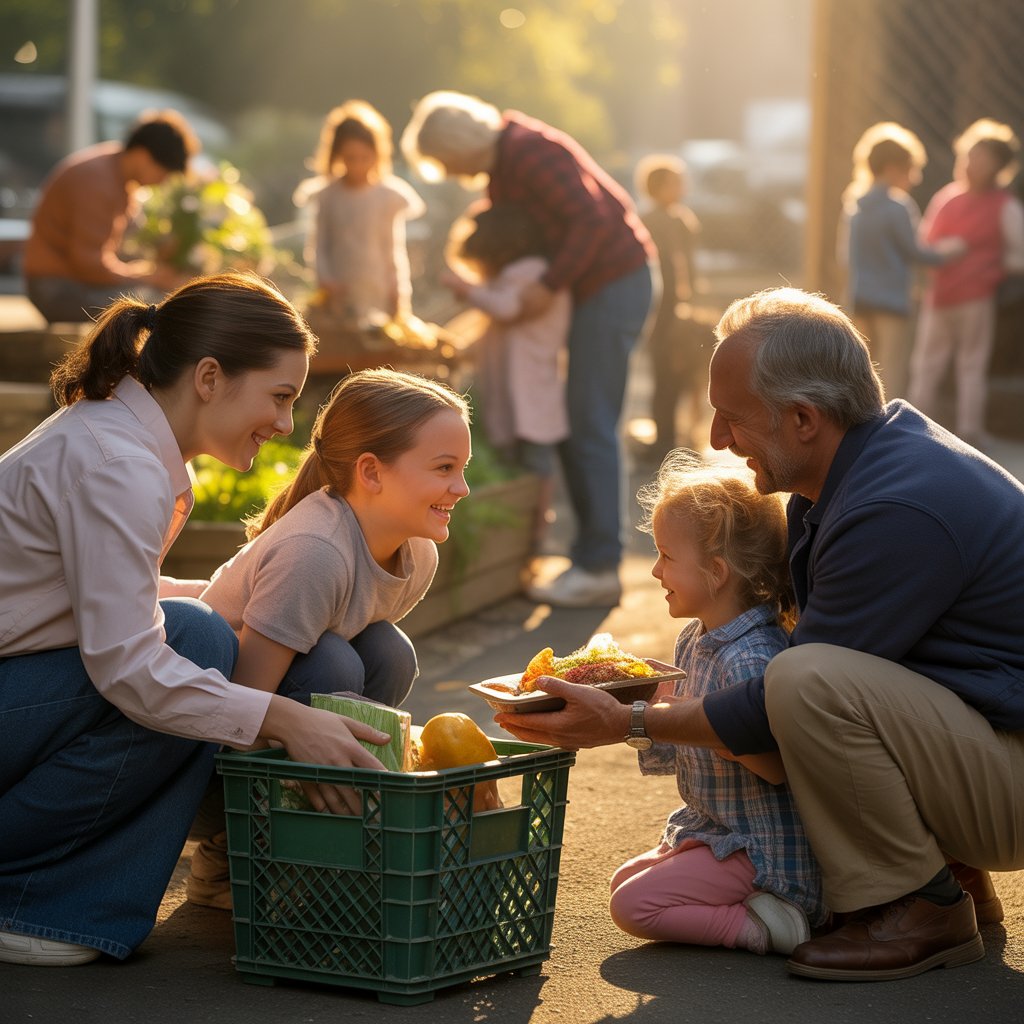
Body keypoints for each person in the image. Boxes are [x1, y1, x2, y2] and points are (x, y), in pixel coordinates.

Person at [499, 286, 1024, 982]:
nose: (717, 439)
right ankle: (948, 876)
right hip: (991, 750)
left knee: (806, 681)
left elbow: (786, 710)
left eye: (731, 417)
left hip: (1010, 779)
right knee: (818, 677)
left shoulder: (893, 508)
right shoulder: (860, 468)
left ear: (804, 418)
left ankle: (919, 906)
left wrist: (628, 719)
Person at [0, 272, 399, 968]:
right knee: (197, 638)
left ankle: (77, 887)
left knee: (215, 628)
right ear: (209, 376)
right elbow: (128, 662)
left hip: (23, 693)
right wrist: (282, 716)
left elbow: (102, 595)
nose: (285, 424)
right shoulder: (117, 463)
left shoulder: (119, 440)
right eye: (279, 396)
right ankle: (31, 895)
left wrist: (244, 592)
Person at [184, 367, 471, 909]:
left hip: (260, 729)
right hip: (194, 762)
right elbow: (240, 708)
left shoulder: (418, 554)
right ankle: (234, 850)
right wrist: (313, 740)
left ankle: (320, 830)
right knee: (335, 668)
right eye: (444, 469)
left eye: (463, 468)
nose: (462, 487)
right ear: (371, 472)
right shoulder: (315, 552)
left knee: (389, 651)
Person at [402, 91, 654, 608]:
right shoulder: (504, 170)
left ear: (459, 145)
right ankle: (589, 554)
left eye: (447, 162)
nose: (450, 173)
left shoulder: (530, 152)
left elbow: (592, 222)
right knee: (577, 422)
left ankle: (601, 564)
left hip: (614, 281)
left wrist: (549, 284)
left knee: (589, 421)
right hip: (592, 289)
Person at [608, 455, 826, 955]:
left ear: (717, 571)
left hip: (762, 847)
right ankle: (755, 908)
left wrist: (714, 730)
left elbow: (776, 766)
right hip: (718, 828)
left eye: (666, 556)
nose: (656, 570)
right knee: (625, 879)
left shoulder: (751, 657)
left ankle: (771, 926)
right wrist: (651, 708)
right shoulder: (695, 639)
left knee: (634, 906)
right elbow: (676, 748)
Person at [439, 201, 570, 549]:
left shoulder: (531, 272)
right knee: (517, 461)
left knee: (535, 462)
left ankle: (535, 533)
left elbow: (506, 308)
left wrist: (467, 290)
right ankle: (521, 535)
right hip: (518, 390)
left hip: (530, 389)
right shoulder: (520, 273)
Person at [907, 118, 1024, 447]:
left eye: (982, 160)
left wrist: (990, 263)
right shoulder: (947, 198)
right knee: (927, 364)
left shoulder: (1004, 206)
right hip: (939, 295)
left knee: (971, 365)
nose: (971, 165)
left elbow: (1019, 256)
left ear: (998, 168)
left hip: (976, 298)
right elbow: (924, 243)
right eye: (969, 156)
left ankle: (969, 432)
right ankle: (914, 427)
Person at [23, 109, 199, 323]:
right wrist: (149, 276)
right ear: (143, 156)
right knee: (156, 303)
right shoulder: (98, 182)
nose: (162, 182)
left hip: (70, 282)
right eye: (163, 173)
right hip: (56, 288)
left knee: (161, 297)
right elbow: (90, 266)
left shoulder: (116, 171)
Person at [838, 121, 966, 398]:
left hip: (860, 298)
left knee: (862, 368)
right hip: (892, 302)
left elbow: (844, 256)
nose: (914, 178)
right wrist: (950, 251)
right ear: (894, 168)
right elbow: (915, 253)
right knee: (890, 371)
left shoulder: (854, 205)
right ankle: (886, 427)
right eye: (911, 170)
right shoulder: (898, 207)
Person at [299, 99, 425, 323]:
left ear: (378, 154)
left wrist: (397, 290)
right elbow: (319, 244)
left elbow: (393, 248)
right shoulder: (327, 195)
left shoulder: (388, 196)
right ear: (338, 156)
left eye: (364, 158)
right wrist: (326, 280)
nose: (357, 165)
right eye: (350, 158)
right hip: (339, 293)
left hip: (378, 290)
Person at [634, 154, 708, 456]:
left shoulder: (669, 220)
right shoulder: (665, 221)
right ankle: (669, 436)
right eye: (676, 182)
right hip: (669, 310)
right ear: (660, 187)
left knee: (669, 373)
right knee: (670, 372)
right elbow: (680, 267)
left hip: (664, 309)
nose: (683, 187)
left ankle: (668, 436)